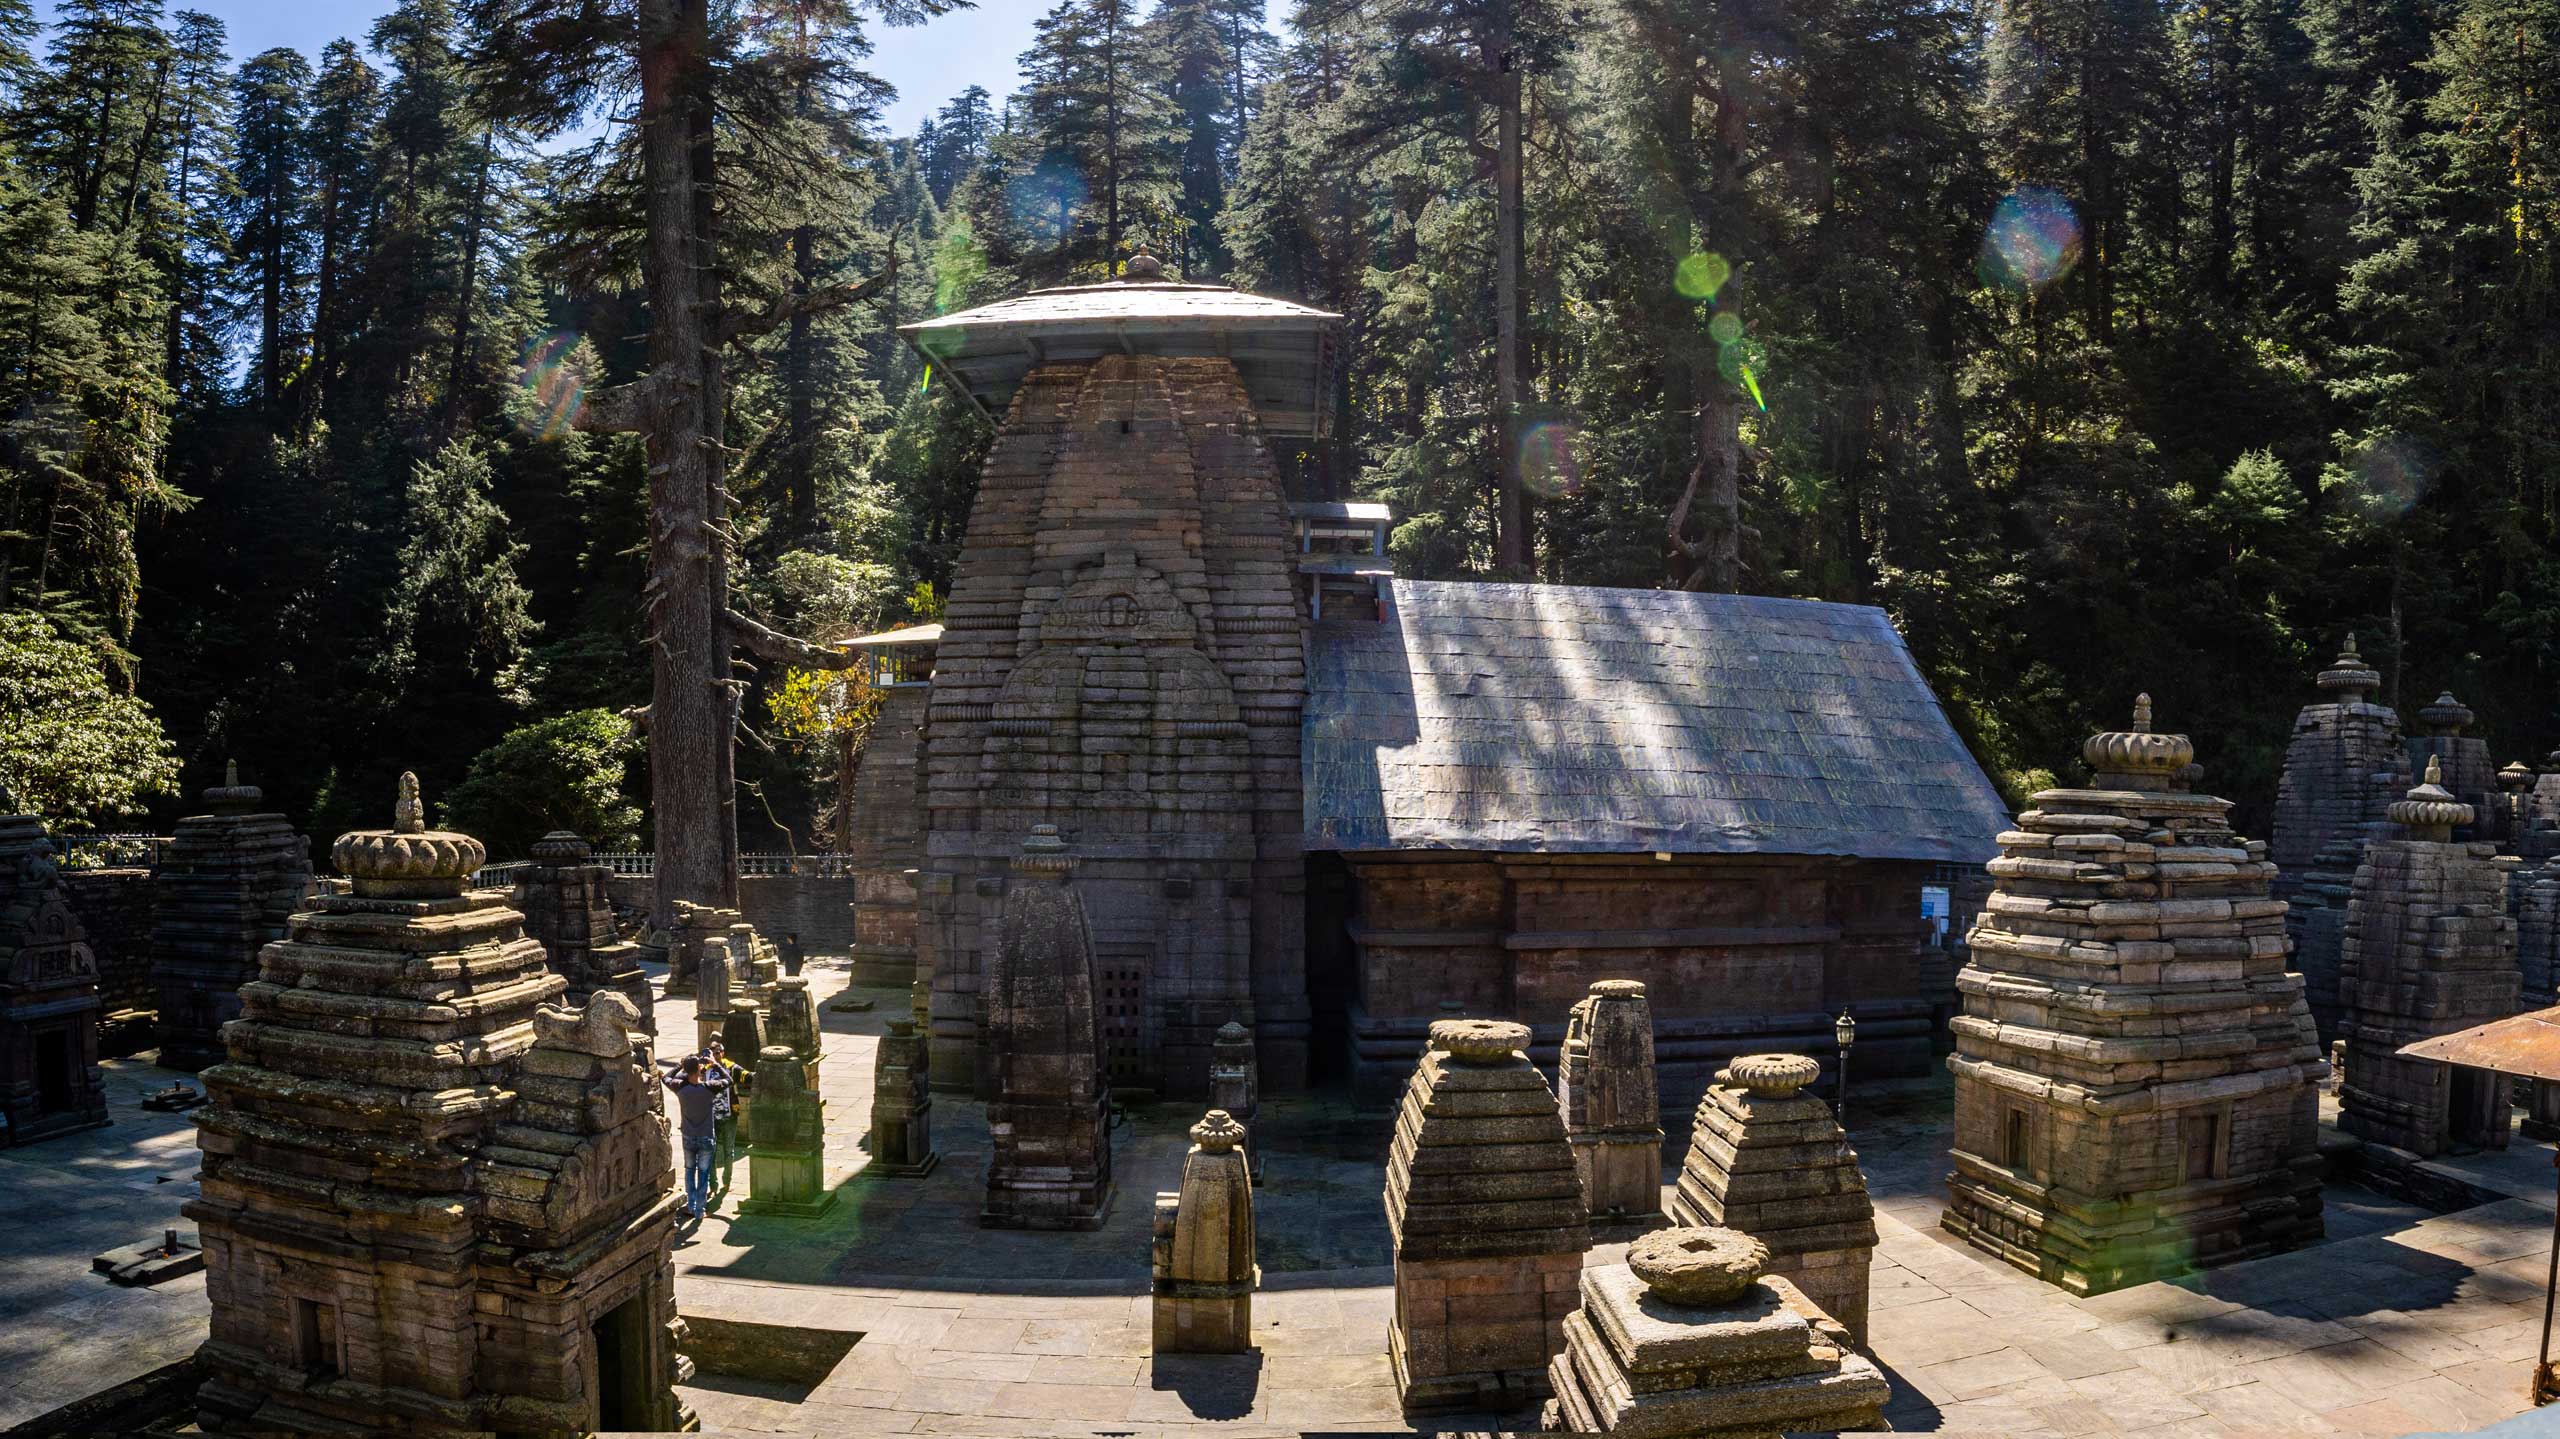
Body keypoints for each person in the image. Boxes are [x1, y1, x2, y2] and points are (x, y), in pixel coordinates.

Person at [664, 1055, 721, 1219]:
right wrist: (715, 1064)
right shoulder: (709, 1088)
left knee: (689, 1171)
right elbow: (728, 1080)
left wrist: (679, 1065)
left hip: (688, 1136)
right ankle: (700, 1210)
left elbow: (666, 1078)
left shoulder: (680, 1088)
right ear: (699, 1069)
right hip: (706, 1136)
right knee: (703, 1173)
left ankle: (691, 1205)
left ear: (685, 1070)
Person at [707, 1041, 747, 1190]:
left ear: (723, 1053)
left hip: (729, 1115)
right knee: (711, 1152)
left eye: (718, 1052)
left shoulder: (731, 1067)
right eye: (713, 1053)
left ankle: (727, 1181)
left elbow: (747, 1075)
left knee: (729, 1151)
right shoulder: (704, 1069)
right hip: (711, 1118)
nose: (716, 1055)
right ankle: (713, 1184)